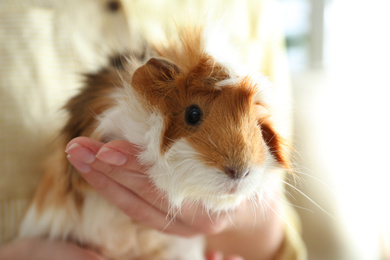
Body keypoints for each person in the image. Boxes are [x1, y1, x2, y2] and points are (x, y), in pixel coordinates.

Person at [0, 0, 304, 259]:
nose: (234, 160)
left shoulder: (250, 7)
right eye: (194, 115)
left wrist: (246, 223)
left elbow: (278, 235)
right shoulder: (120, 120)